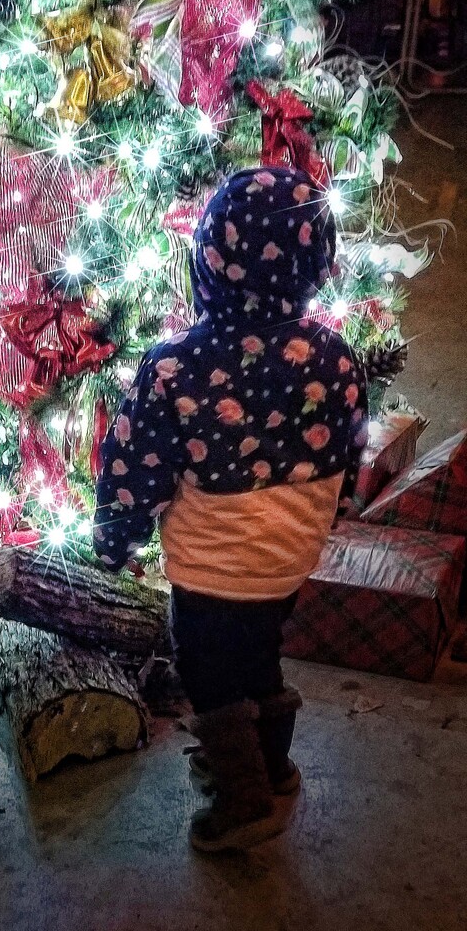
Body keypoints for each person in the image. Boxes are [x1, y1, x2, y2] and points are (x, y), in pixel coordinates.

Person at [93, 167, 369, 852]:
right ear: (318, 263)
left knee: (210, 674)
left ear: (208, 264)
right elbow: (351, 450)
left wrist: (116, 539)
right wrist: (330, 515)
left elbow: (135, 465)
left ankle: (244, 799)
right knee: (258, 654)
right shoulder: (334, 357)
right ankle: (271, 768)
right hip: (290, 557)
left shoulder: (174, 366)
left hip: (214, 566)